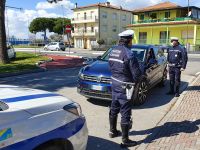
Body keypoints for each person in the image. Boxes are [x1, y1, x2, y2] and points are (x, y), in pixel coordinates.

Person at [108, 30, 142, 147]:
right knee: (126, 111)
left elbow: (111, 66)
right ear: (129, 40)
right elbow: (137, 75)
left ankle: (112, 131)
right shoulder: (129, 53)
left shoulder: (113, 50)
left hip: (114, 82)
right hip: (126, 85)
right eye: (132, 40)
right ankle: (125, 140)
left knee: (114, 107)